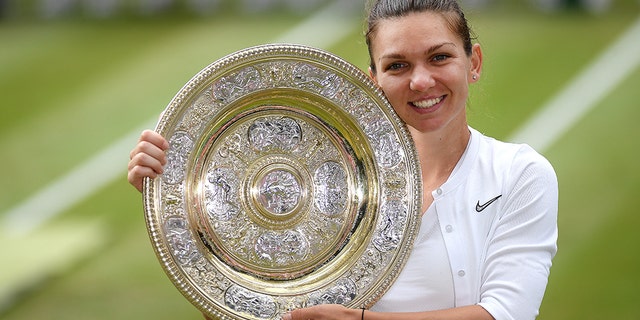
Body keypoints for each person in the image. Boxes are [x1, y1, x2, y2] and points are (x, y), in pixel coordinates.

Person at [127, 0, 559, 319]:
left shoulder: (519, 175)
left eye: (439, 56)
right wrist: (171, 203)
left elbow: (506, 314)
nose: (421, 81)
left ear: (474, 62)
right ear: (373, 80)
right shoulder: (327, 185)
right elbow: (251, 307)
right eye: (397, 66)